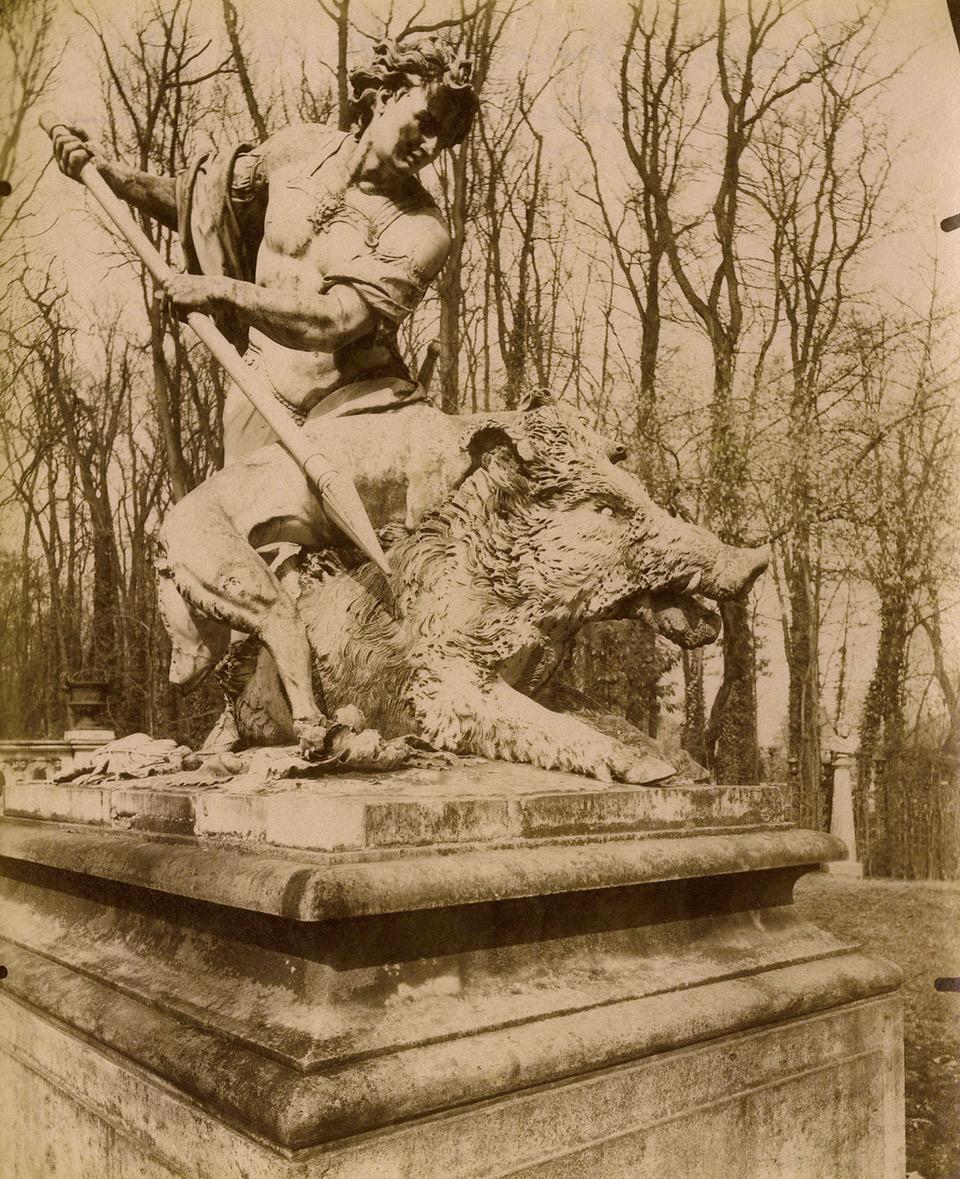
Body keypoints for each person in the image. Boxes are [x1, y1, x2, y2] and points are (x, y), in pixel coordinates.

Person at [53, 36, 477, 462]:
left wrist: (224, 292)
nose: (430, 148)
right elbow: (203, 204)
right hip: (256, 399)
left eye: (443, 140)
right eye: (426, 122)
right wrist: (110, 175)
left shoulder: (424, 230)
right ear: (387, 96)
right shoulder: (299, 148)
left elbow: (339, 321)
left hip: (352, 415)